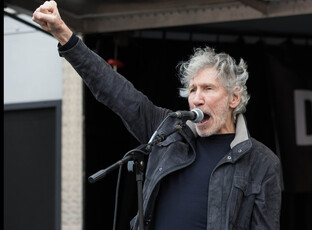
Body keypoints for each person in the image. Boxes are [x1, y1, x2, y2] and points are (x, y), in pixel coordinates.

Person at [32, 1, 283, 229]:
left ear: (234, 98)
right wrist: (65, 35)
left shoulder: (261, 162)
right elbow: (114, 90)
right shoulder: (168, 131)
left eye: (208, 88)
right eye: (193, 89)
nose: (197, 97)